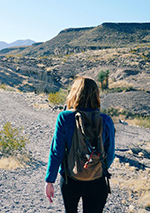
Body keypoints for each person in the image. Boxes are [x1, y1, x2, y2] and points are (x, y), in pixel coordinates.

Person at [45, 77, 115, 213]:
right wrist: (95, 169)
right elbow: (110, 153)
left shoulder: (64, 117)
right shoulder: (105, 120)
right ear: (96, 95)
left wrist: (50, 180)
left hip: (70, 180)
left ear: (74, 93)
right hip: (97, 182)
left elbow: (56, 152)